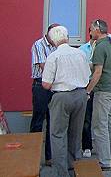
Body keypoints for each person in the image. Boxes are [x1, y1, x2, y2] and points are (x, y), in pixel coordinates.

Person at [41, 25, 90, 177]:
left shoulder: (53, 56)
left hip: (61, 96)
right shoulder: (80, 53)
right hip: (81, 94)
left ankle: (61, 173)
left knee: (57, 135)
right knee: (75, 134)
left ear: (53, 40)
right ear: (67, 37)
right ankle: (74, 168)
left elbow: (46, 84)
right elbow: (87, 75)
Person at [86, 19, 111, 171]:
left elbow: (97, 72)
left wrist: (87, 90)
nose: (90, 32)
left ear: (97, 29)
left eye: (91, 29)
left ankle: (104, 161)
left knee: (99, 127)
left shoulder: (100, 47)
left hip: (103, 92)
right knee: (110, 124)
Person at [30, 22, 58, 166]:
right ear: (49, 34)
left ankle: (49, 157)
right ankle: (32, 157)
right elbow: (44, 66)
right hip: (41, 84)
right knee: (38, 121)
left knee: (52, 122)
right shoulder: (39, 45)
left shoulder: (57, 46)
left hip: (54, 85)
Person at [79, 33, 96, 158]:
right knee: (86, 117)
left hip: (100, 86)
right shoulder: (82, 50)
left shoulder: (104, 47)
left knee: (102, 118)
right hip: (87, 83)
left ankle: (105, 148)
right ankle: (86, 146)